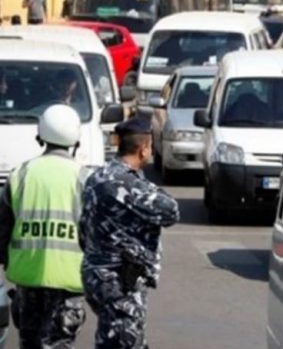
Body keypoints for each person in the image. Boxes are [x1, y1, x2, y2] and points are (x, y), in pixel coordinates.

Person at [79, 117, 180, 348]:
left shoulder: (96, 176)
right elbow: (171, 211)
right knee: (125, 340)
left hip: (95, 274)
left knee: (110, 336)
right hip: (119, 280)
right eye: (150, 146)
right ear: (143, 149)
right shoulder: (128, 183)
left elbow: (83, 230)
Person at [0, 105, 89, 348]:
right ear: (76, 138)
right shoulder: (84, 178)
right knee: (59, 343)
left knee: (29, 342)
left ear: (41, 135)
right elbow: (95, 233)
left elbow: (3, 229)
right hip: (69, 283)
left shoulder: (21, 174)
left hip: (27, 279)